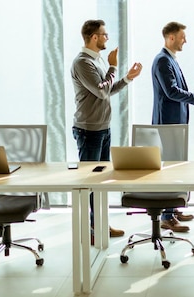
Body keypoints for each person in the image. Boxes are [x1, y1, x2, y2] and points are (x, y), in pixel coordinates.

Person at [70, 19, 142, 239]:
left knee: (101, 181)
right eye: (104, 34)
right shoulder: (83, 62)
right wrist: (112, 66)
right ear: (94, 37)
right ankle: (92, 228)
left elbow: (107, 90)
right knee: (91, 182)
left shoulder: (96, 61)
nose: (107, 38)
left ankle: (100, 224)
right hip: (89, 131)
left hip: (102, 128)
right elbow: (102, 91)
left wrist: (127, 78)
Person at [151, 21, 194, 233]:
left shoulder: (170, 59)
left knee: (176, 167)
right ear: (171, 38)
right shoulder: (162, 60)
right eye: (182, 37)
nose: (185, 40)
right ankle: (167, 217)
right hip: (167, 124)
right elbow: (171, 92)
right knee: (169, 170)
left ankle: (173, 209)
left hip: (175, 123)